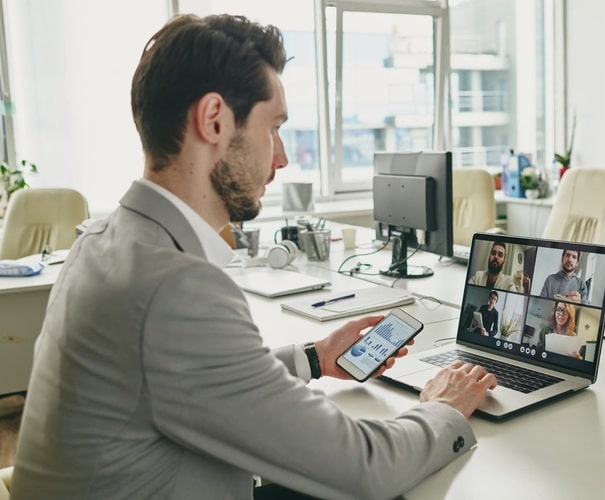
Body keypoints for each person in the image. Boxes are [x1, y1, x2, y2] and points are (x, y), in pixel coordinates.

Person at [11, 14, 497, 500]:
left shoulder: (101, 242)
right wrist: (444, 408)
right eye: (274, 128)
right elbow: (364, 468)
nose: (281, 157)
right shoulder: (176, 288)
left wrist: (314, 358)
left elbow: (183, 377)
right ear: (215, 120)